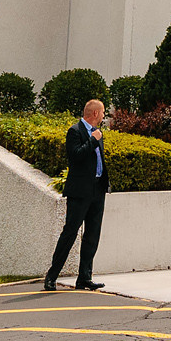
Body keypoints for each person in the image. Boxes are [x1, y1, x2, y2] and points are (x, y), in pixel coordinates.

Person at [43, 97, 109, 291]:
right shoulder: (75, 131)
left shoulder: (98, 134)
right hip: (80, 192)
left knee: (92, 235)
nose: (104, 116)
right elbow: (77, 156)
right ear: (95, 113)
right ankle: (51, 276)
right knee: (70, 233)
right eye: (103, 112)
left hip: (97, 190)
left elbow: (98, 160)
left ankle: (85, 278)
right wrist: (92, 140)